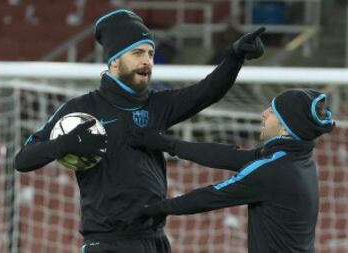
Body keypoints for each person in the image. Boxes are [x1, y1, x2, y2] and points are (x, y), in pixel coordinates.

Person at [14, 9, 265, 253]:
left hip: (154, 240)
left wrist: (234, 57)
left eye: (150, 53)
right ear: (114, 61)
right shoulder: (82, 108)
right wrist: (62, 144)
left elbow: (206, 92)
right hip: (107, 242)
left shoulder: (156, 105)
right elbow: (24, 159)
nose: (147, 60)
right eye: (137, 53)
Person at [128, 89, 335, 253]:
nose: (264, 114)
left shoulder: (272, 170)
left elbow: (211, 196)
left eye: (271, 111)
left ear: (285, 128)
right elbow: (229, 156)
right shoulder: (295, 160)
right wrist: (165, 144)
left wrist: (156, 209)